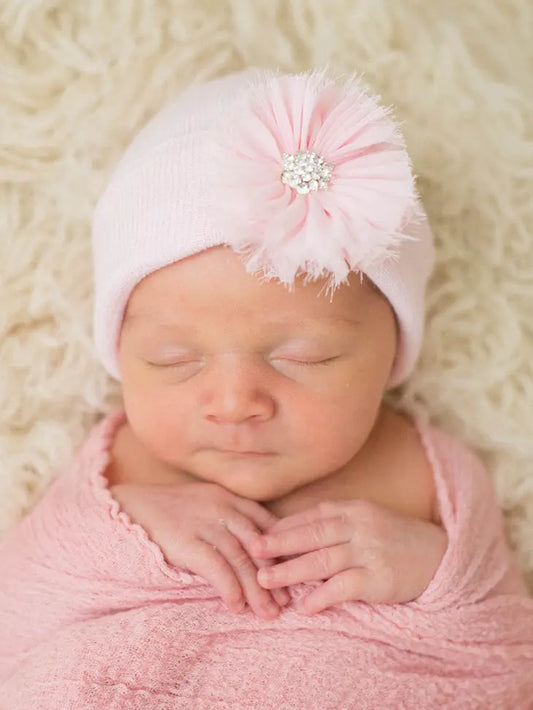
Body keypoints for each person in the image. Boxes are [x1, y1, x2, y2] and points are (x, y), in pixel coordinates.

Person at [1, 68, 531, 709]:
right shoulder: (122, 469)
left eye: (303, 357)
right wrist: (130, 528)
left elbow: (503, 648)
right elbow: (20, 607)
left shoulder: (427, 472)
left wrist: (429, 568)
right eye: (174, 361)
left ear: (391, 349)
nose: (233, 403)